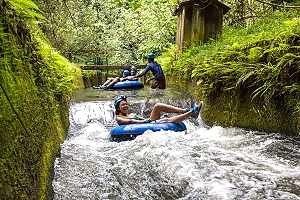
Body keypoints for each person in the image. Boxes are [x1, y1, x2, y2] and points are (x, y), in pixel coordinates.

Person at [114, 95, 203, 125]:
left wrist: (147, 121)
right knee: (165, 120)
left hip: (146, 124)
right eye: (123, 105)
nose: (126, 106)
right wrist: (142, 123)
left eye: (126, 104)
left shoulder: (133, 114)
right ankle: (191, 113)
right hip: (140, 126)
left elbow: (144, 119)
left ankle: (186, 111)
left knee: (158, 106)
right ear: (118, 108)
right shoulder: (119, 118)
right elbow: (130, 122)